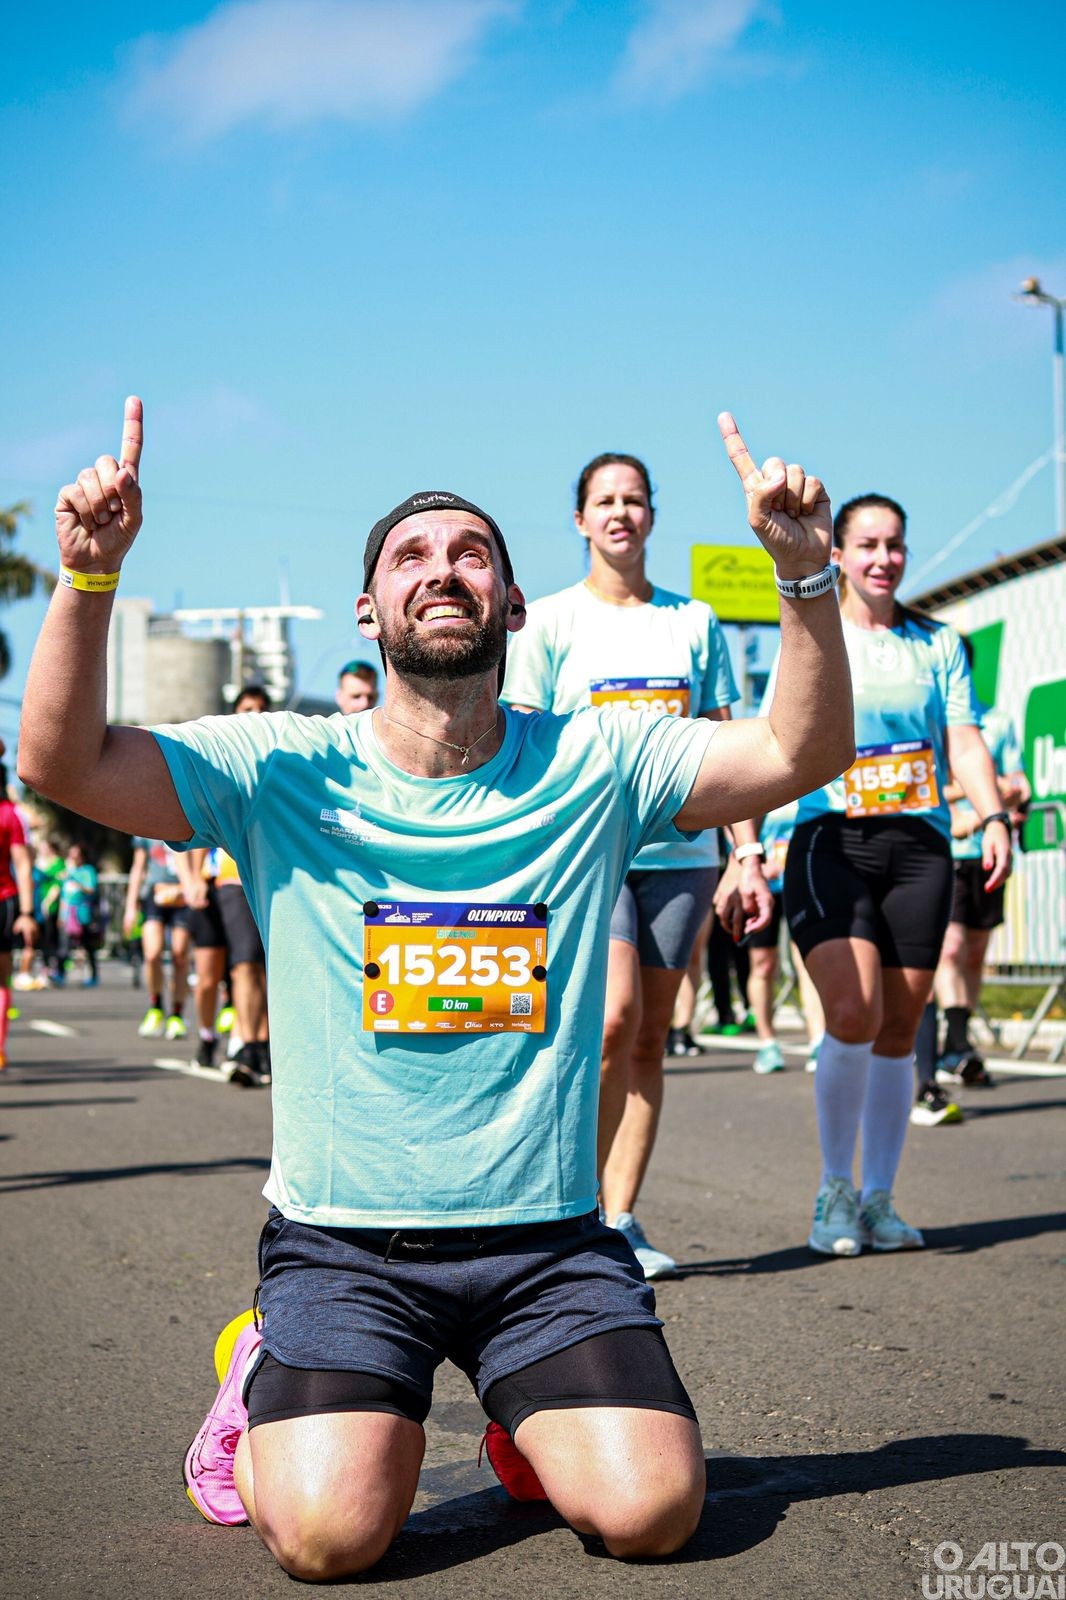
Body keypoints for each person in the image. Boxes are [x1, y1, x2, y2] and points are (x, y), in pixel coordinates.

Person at [21, 397, 852, 1579]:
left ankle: (530, 1416)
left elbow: (796, 754)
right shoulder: (280, 769)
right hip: (348, 1249)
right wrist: (88, 581)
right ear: (369, 608)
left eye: (472, 552)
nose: (442, 570)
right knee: (326, 1535)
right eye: (410, 555)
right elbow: (62, 765)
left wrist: (805, 579)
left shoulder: (595, 759)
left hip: (549, 1249)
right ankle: (264, 1362)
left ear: (513, 603)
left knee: (653, 1514)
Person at [502, 452, 770, 1279]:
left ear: (652, 515)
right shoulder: (547, 622)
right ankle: (572, 1211)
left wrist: (746, 853)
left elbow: (736, 746)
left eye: (635, 500)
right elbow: (520, 743)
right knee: (610, 1020)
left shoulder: (694, 622)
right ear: (579, 520)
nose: (620, 513)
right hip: (588, 857)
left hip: (683, 854)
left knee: (650, 1036)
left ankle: (618, 1219)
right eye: (604, 501)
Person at [775, 493, 1012, 1257]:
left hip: (920, 846)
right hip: (831, 840)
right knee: (852, 1011)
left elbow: (965, 742)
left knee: (903, 1027)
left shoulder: (937, 643)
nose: (884, 558)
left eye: (896, 545)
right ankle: (832, 1191)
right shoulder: (817, 633)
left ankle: (879, 1197)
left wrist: (997, 817)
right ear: (838, 553)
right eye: (868, 544)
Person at [933, 637, 1029, 1088]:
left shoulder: (998, 721)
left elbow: (1016, 784)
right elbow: (926, 789)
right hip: (942, 852)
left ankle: (958, 1040)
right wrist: (977, 795)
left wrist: (987, 806)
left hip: (986, 852)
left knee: (974, 953)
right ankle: (954, 1045)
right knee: (948, 947)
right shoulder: (930, 722)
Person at [745, 800, 824, 1073]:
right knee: (763, 964)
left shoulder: (807, 780)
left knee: (807, 960)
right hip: (762, 882)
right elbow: (736, 823)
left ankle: (818, 1040)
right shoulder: (761, 772)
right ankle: (767, 1043)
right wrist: (753, 862)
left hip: (801, 878)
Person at [124, 835, 192, 1039]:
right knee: (152, 954)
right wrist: (130, 906)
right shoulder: (146, 826)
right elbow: (138, 867)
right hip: (155, 894)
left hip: (183, 894)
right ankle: (156, 1006)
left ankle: (177, 1014)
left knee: (180, 955)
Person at [0, 769, 36, 1066]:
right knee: (2, 981)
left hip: (6, 903)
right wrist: (26, 912)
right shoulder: (12, 814)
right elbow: (23, 866)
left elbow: (23, 867)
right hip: (7, 904)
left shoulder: (10, 815)